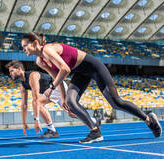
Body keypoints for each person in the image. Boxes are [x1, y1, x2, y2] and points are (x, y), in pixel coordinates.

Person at [21, 32, 162, 143]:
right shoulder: (40, 61)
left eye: (24, 46)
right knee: (71, 102)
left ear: (34, 43)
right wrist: (64, 100)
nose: (23, 50)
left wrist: (52, 88)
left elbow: (65, 69)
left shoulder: (48, 50)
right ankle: (95, 131)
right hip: (80, 73)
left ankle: (148, 120)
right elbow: (57, 75)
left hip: (94, 67)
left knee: (115, 102)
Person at [6, 60, 96, 138]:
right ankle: (93, 121)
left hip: (57, 87)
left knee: (39, 103)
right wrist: (24, 123)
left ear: (19, 69)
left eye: (12, 71)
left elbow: (36, 98)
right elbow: (24, 105)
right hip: (51, 92)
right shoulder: (22, 85)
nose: (10, 74)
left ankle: (51, 130)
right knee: (71, 113)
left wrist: (36, 120)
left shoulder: (32, 76)